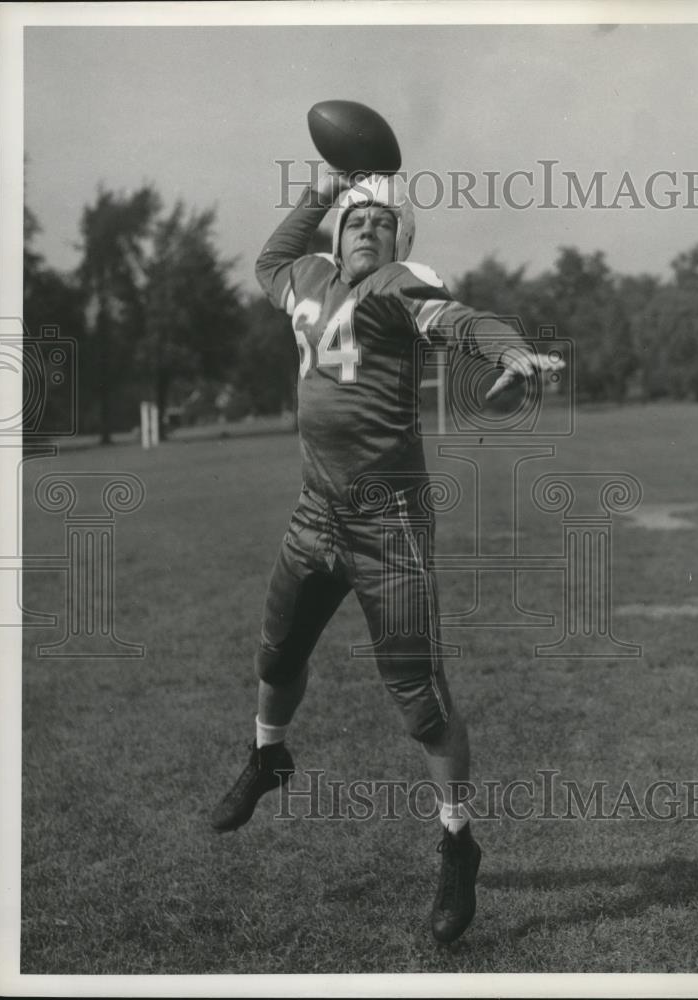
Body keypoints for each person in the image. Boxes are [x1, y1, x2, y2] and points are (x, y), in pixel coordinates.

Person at [211, 167, 551, 944]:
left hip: (387, 526)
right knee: (275, 654)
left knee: (421, 704)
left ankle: (458, 844)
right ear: (337, 231)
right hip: (314, 512)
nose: (368, 229)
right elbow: (267, 263)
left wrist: (508, 348)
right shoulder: (308, 276)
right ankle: (268, 758)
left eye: (383, 223)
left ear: (401, 241)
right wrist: (327, 188)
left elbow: (455, 318)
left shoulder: (398, 288)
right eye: (357, 220)